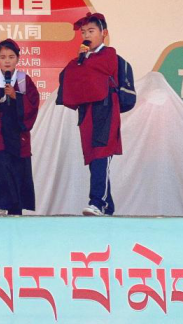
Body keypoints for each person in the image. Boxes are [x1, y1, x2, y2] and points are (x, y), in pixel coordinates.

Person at [57, 12, 122, 216]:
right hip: (88, 113)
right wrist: (80, 61)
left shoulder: (109, 54)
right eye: (83, 32)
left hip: (105, 112)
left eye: (91, 31)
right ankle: (107, 206)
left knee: (101, 154)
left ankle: (97, 202)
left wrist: (82, 63)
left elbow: (96, 69)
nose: (86, 35)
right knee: (94, 158)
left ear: (104, 33)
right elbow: (66, 75)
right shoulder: (82, 58)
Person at [0, 39, 40, 216]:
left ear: (18, 59)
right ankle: (0, 208)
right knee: (2, 170)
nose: (7, 61)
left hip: (19, 137)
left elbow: (33, 105)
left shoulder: (24, 80)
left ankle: (15, 212)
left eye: (11, 57)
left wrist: (16, 96)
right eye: (2, 57)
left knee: (18, 173)